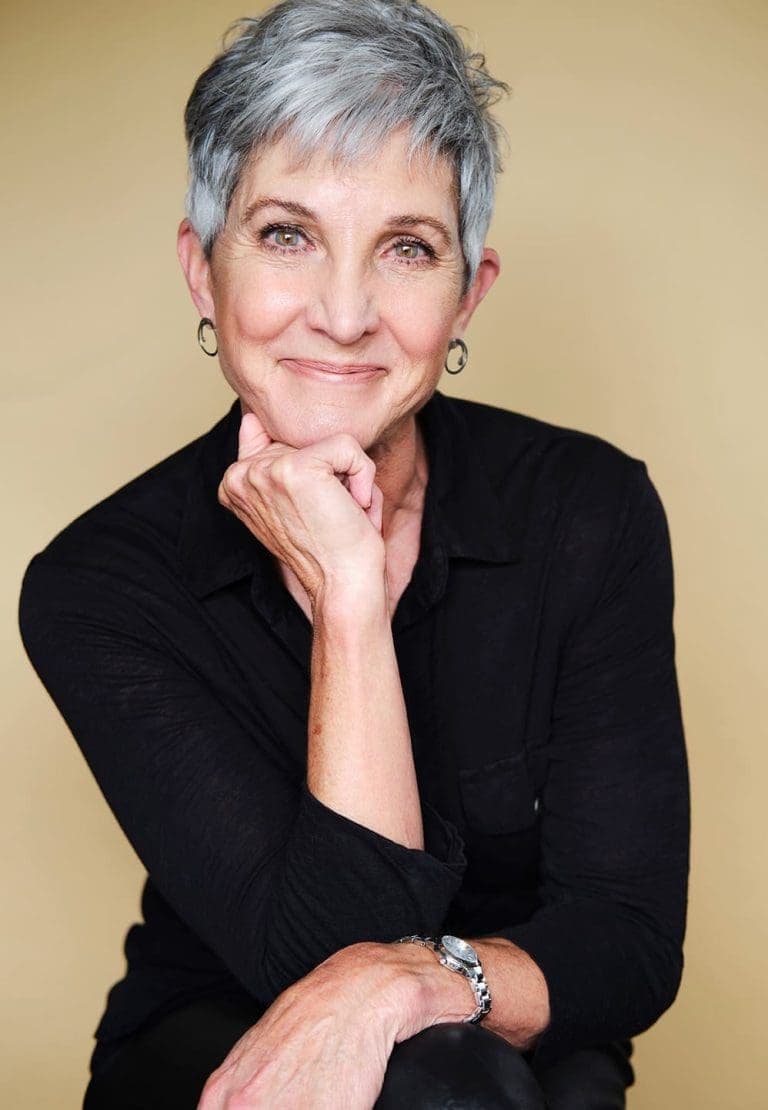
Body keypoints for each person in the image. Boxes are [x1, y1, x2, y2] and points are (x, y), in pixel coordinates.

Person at [18, 1, 690, 1106]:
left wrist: (414, 985)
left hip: (510, 1020)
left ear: (469, 291)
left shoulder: (588, 510)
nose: (341, 314)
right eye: (287, 234)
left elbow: (626, 940)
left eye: (406, 250)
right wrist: (350, 596)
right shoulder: (100, 584)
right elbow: (324, 959)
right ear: (203, 272)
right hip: (217, 1035)